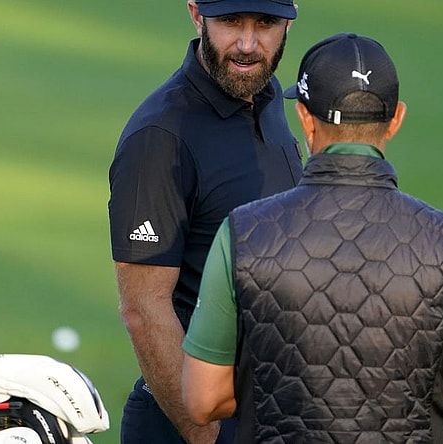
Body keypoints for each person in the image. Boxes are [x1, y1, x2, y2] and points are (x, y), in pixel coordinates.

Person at [181, 33, 443, 443]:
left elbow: (202, 398)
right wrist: (392, 404)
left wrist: (291, 398)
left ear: (304, 117)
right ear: (396, 119)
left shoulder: (242, 234)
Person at [108, 0, 303, 442]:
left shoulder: (268, 98)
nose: (248, 44)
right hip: (193, 423)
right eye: (231, 21)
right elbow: (143, 308)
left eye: (267, 23)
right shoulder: (160, 138)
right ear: (196, 14)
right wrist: (209, 436)